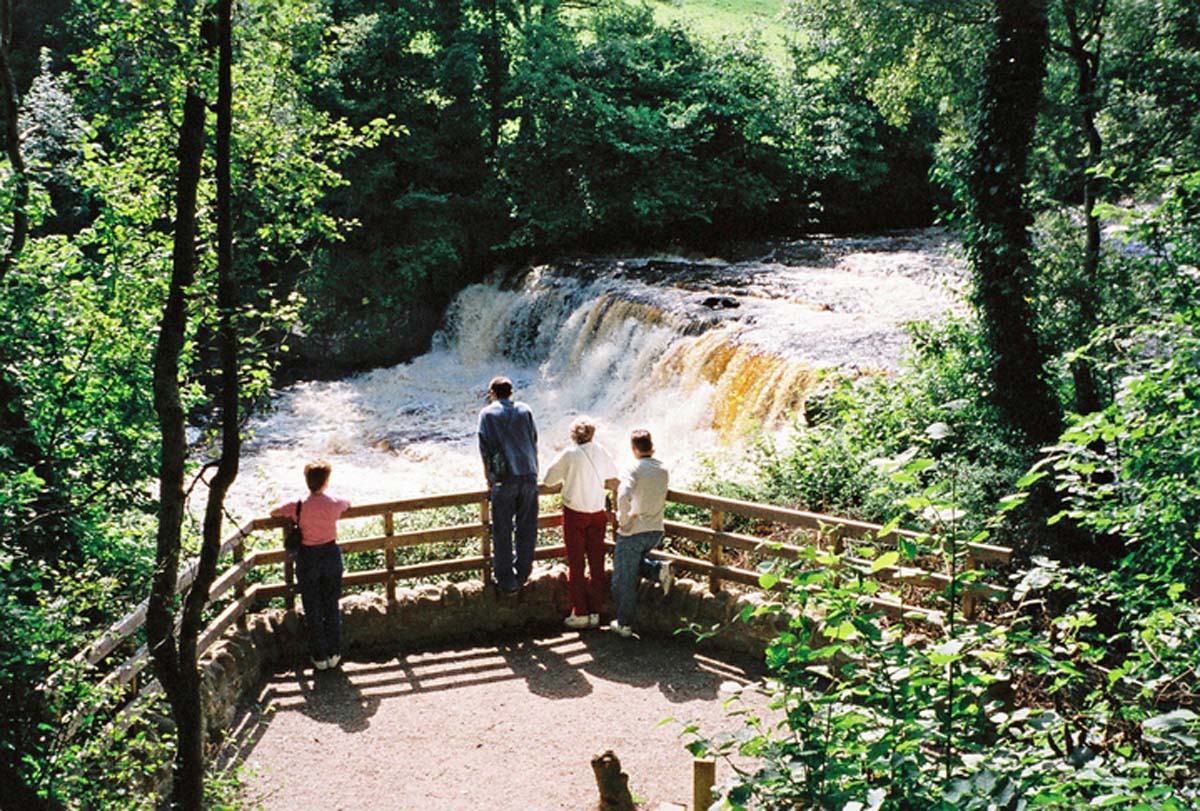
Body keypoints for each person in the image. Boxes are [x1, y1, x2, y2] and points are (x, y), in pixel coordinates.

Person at [271, 460, 350, 670]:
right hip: (331, 555)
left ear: (307, 481)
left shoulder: (297, 505)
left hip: (308, 558)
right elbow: (348, 503)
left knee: (312, 606)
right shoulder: (335, 503)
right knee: (331, 604)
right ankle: (334, 652)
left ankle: (319, 655)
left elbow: (274, 512)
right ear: (326, 481)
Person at [542, 416, 619, 629]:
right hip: (597, 512)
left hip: (575, 513)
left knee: (576, 563)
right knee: (597, 562)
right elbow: (613, 475)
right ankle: (596, 610)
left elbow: (548, 479)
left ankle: (581, 612)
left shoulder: (569, 454)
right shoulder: (601, 451)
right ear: (593, 434)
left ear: (573, 435)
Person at [477, 376, 539, 595]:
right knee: (527, 527)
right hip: (529, 474)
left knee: (502, 530)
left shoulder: (487, 414)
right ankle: (523, 572)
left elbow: (485, 449)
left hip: (504, 478)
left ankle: (506, 580)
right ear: (511, 392)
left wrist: (489, 479)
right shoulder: (525, 410)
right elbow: (534, 440)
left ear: (492, 393)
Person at [610, 429, 672, 638]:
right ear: (651, 445)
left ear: (633, 448)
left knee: (623, 578)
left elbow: (623, 495)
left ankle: (624, 624)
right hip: (655, 531)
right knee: (633, 565)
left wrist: (624, 521)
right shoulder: (663, 468)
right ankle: (658, 571)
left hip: (634, 531)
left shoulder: (632, 468)